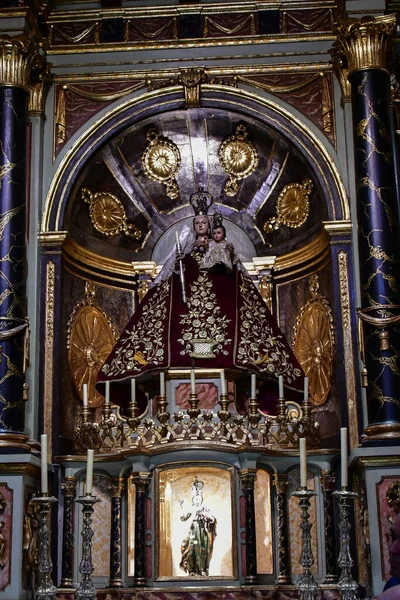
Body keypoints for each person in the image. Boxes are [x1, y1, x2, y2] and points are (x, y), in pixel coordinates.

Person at [97, 188, 303, 402]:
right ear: (194, 227)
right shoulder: (185, 257)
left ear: (211, 226)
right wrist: (179, 262)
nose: (201, 226)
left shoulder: (222, 249)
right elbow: (172, 274)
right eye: (197, 224)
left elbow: (230, 269)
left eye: (204, 223)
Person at [179, 476, 217, 576]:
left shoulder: (204, 508)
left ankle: (202, 570)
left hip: (202, 531)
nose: (197, 500)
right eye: (195, 498)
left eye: (199, 498)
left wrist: (202, 513)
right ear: (193, 499)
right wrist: (182, 506)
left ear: (201, 499)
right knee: (191, 550)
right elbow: (184, 518)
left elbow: (212, 519)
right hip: (193, 531)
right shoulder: (191, 508)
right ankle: (192, 570)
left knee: (202, 550)